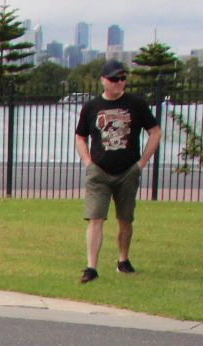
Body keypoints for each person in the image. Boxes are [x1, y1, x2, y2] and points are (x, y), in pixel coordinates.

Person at [73, 60, 162, 285]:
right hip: (99, 172)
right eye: (114, 79)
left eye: (123, 78)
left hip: (127, 170)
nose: (119, 83)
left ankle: (123, 260)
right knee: (95, 218)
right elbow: (80, 136)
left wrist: (141, 163)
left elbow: (155, 131)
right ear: (103, 80)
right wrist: (87, 162)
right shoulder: (91, 107)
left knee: (125, 219)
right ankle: (91, 267)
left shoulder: (136, 104)